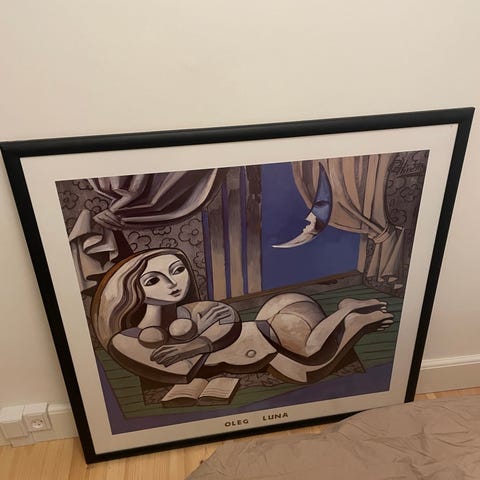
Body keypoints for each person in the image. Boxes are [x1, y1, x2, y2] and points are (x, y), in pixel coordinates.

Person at [91, 248, 393, 385]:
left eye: (177, 270)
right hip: (271, 337)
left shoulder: (189, 311)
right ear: (132, 290)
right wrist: (198, 339)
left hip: (277, 325)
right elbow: (181, 370)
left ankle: (348, 309)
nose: (173, 284)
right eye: (153, 280)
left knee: (311, 352)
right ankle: (351, 313)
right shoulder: (125, 340)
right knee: (305, 367)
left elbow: (229, 320)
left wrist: (196, 342)